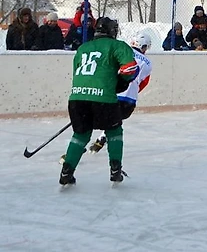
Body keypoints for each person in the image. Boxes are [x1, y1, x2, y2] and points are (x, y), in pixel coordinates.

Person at [59, 17, 138, 187]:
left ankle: (66, 171)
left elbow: (77, 74)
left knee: (81, 135)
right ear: (112, 31)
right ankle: (115, 170)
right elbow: (130, 68)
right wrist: (122, 81)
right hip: (104, 98)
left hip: (77, 98)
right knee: (114, 131)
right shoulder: (118, 46)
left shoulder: (82, 48)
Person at [86, 34, 153, 155]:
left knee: (92, 119)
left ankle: (78, 147)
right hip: (129, 100)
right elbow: (143, 83)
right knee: (115, 122)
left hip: (111, 93)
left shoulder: (121, 50)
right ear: (143, 46)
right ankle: (104, 141)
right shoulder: (148, 63)